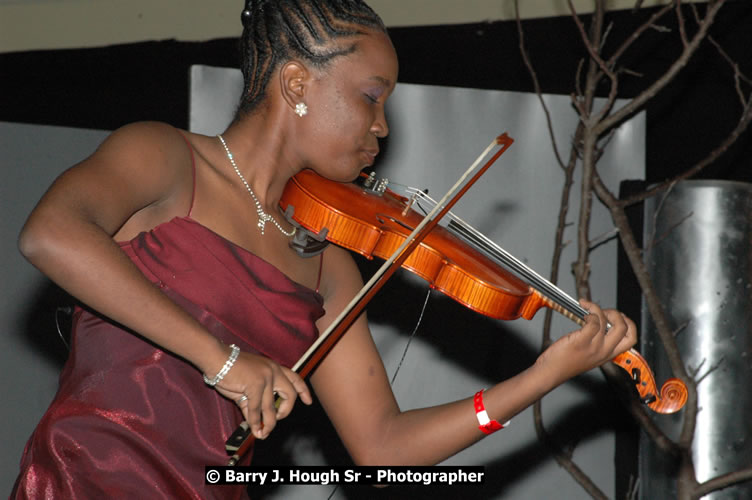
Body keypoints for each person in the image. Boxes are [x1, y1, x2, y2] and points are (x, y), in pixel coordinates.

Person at [11, 0, 637, 498]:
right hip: (89, 478)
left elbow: (383, 446)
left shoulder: (328, 263)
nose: (383, 126)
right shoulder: (165, 156)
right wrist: (223, 360)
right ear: (295, 82)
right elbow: (51, 234)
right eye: (371, 95)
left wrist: (543, 377)